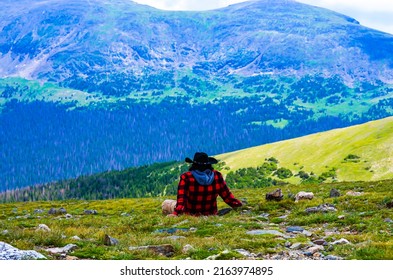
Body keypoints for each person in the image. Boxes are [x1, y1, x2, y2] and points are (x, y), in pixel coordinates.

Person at [162, 152, 243, 216]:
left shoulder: (187, 177)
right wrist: (239, 206)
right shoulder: (217, 176)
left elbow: (181, 199)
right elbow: (227, 197)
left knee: (166, 203)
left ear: (194, 164)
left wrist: (176, 213)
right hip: (211, 213)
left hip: (190, 213)